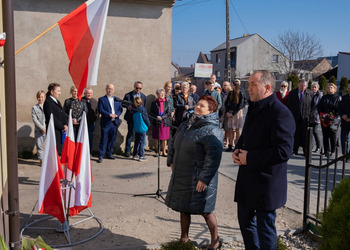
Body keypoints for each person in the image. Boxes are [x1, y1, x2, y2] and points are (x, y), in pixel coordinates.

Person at [233, 70, 295, 249]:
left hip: (266, 182)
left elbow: (284, 151)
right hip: (247, 178)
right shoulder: (254, 106)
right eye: (249, 84)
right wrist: (238, 149)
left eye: (253, 84)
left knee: (265, 228)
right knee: (245, 222)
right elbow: (247, 135)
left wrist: (249, 157)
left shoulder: (280, 112)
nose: (248, 88)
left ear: (267, 87)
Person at [166, 95, 223, 250]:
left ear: (210, 111)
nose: (198, 107)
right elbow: (173, 142)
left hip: (199, 177)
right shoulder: (186, 124)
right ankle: (184, 239)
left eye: (202, 106)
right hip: (184, 173)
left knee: (205, 210)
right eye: (198, 104)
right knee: (184, 207)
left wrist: (204, 179)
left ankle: (215, 241)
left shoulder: (212, 129)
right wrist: (171, 160)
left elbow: (214, 158)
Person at [97, 84, 123, 163]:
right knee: (104, 139)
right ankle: (101, 155)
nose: (110, 90)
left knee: (112, 139)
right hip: (106, 123)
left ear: (113, 90)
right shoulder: (101, 99)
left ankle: (109, 153)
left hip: (114, 123)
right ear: (106, 89)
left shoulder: (117, 100)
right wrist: (109, 114)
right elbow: (101, 109)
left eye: (111, 89)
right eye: (108, 89)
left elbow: (120, 109)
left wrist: (117, 115)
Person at [287, 79, 313, 155]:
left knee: (305, 135)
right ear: (298, 85)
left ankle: (305, 151)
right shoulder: (292, 93)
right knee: (296, 134)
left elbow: (312, 105)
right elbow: (289, 105)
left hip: (305, 117)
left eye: (304, 85)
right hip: (295, 117)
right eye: (301, 85)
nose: (303, 87)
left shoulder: (310, 93)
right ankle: (295, 150)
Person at [123, 81, 147, 157]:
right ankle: (127, 151)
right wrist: (128, 106)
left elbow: (143, 107)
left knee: (138, 136)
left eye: (140, 88)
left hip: (139, 119)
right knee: (130, 134)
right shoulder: (128, 95)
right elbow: (123, 103)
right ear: (134, 87)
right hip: (131, 117)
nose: (138, 90)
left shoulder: (143, 96)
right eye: (137, 88)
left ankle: (137, 152)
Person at [43, 83, 68, 155]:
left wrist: (66, 124)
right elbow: (51, 118)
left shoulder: (57, 102)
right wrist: (62, 126)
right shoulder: (48, 102)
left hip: (60, 131)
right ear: (52, 92)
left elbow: (63, 114)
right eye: (58, 91)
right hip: (54, 131)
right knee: (54, 153)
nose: (60, 93)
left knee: (60, 152)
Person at [317, 83, 341, 157]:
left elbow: (339, 108)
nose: (329, 89)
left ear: (334, 89)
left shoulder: (338, 98)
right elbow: (319, 107)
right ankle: (326, 150)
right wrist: (322, 115)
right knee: (325, 135)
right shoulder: (323, 97)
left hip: (334, 119)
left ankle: (333, 151)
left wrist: (333, 115)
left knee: (333, 135)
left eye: (331, 87)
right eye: (328, 87)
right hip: (324, 119)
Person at [225, 80, 245, 152]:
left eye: (232, 85)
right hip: (230, 112)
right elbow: (226, 103)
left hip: (237, 113)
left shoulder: (241, 93)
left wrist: (233, 114)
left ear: (235, 86)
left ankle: (237, 146)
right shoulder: (230, 93)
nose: (231, 86)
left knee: (237, 130)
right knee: (230, 129)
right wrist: (227, 111)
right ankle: (230, 145)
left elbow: (240, 105)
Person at [150, 88, 171, 156]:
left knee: (164, 138)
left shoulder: (167, 103)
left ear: (165, 94)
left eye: (162, 93)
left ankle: (164, 152)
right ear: (157, 95)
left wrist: (162, 117)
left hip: (165, 122)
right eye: (160, 93)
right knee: (157, 138)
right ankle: (157, 151)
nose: (161, 95)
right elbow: (151, 113)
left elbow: (168, 113)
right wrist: (156, 117)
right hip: (157, 122)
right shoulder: (154, 103)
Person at [132, 97, 150, 162]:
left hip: (136, 128)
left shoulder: (134, 109)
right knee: (142, 142)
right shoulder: (143, 109)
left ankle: (135, 154)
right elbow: (145, 118)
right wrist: (148, 124)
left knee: (137, 141)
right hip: (142, 128)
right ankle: (141, 155)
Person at [81, 87, 98, 155]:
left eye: (90, 93)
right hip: (82, 124)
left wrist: (95, 118)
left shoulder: (95, 101)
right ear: (84, 94)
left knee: (90, 138)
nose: (89, 94)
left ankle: (89, 153)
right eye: (87, 93)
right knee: (81, 138)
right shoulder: (81, 100)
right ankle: (81, 153)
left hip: (91, 123)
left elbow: (97, 112)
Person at [32, 90, 46, 163]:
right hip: (39, 130)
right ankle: (42, 161)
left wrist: (45, 127)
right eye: (39, 97)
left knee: (48, 146)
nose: (40, 99)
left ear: (44, 97)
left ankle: (48, 161)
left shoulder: (47, 106)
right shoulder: (34, 108)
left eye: (42, 97)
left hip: (47, 129)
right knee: (39, 146)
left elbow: (49, 117)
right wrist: (42, 128)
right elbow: (35, 119)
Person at [310, 83, 323, 153]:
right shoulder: (310, 94)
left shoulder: (319, 95)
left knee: (315, 131)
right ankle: (310, 146)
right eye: (312, 87)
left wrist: (313, 113)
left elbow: (319, 106)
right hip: (309, 116)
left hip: (316, 116)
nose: (313, 88)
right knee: (309, 132)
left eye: (315, 87)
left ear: (317, 88)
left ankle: (318, 146)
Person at [338, 83, 350, 156]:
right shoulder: (343, 97)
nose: (349, 90)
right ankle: (345, 154)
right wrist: (342, 115)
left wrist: (348, 116)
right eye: (348, 88)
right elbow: (339, 108)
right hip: (344, 121)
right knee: (343, 138)